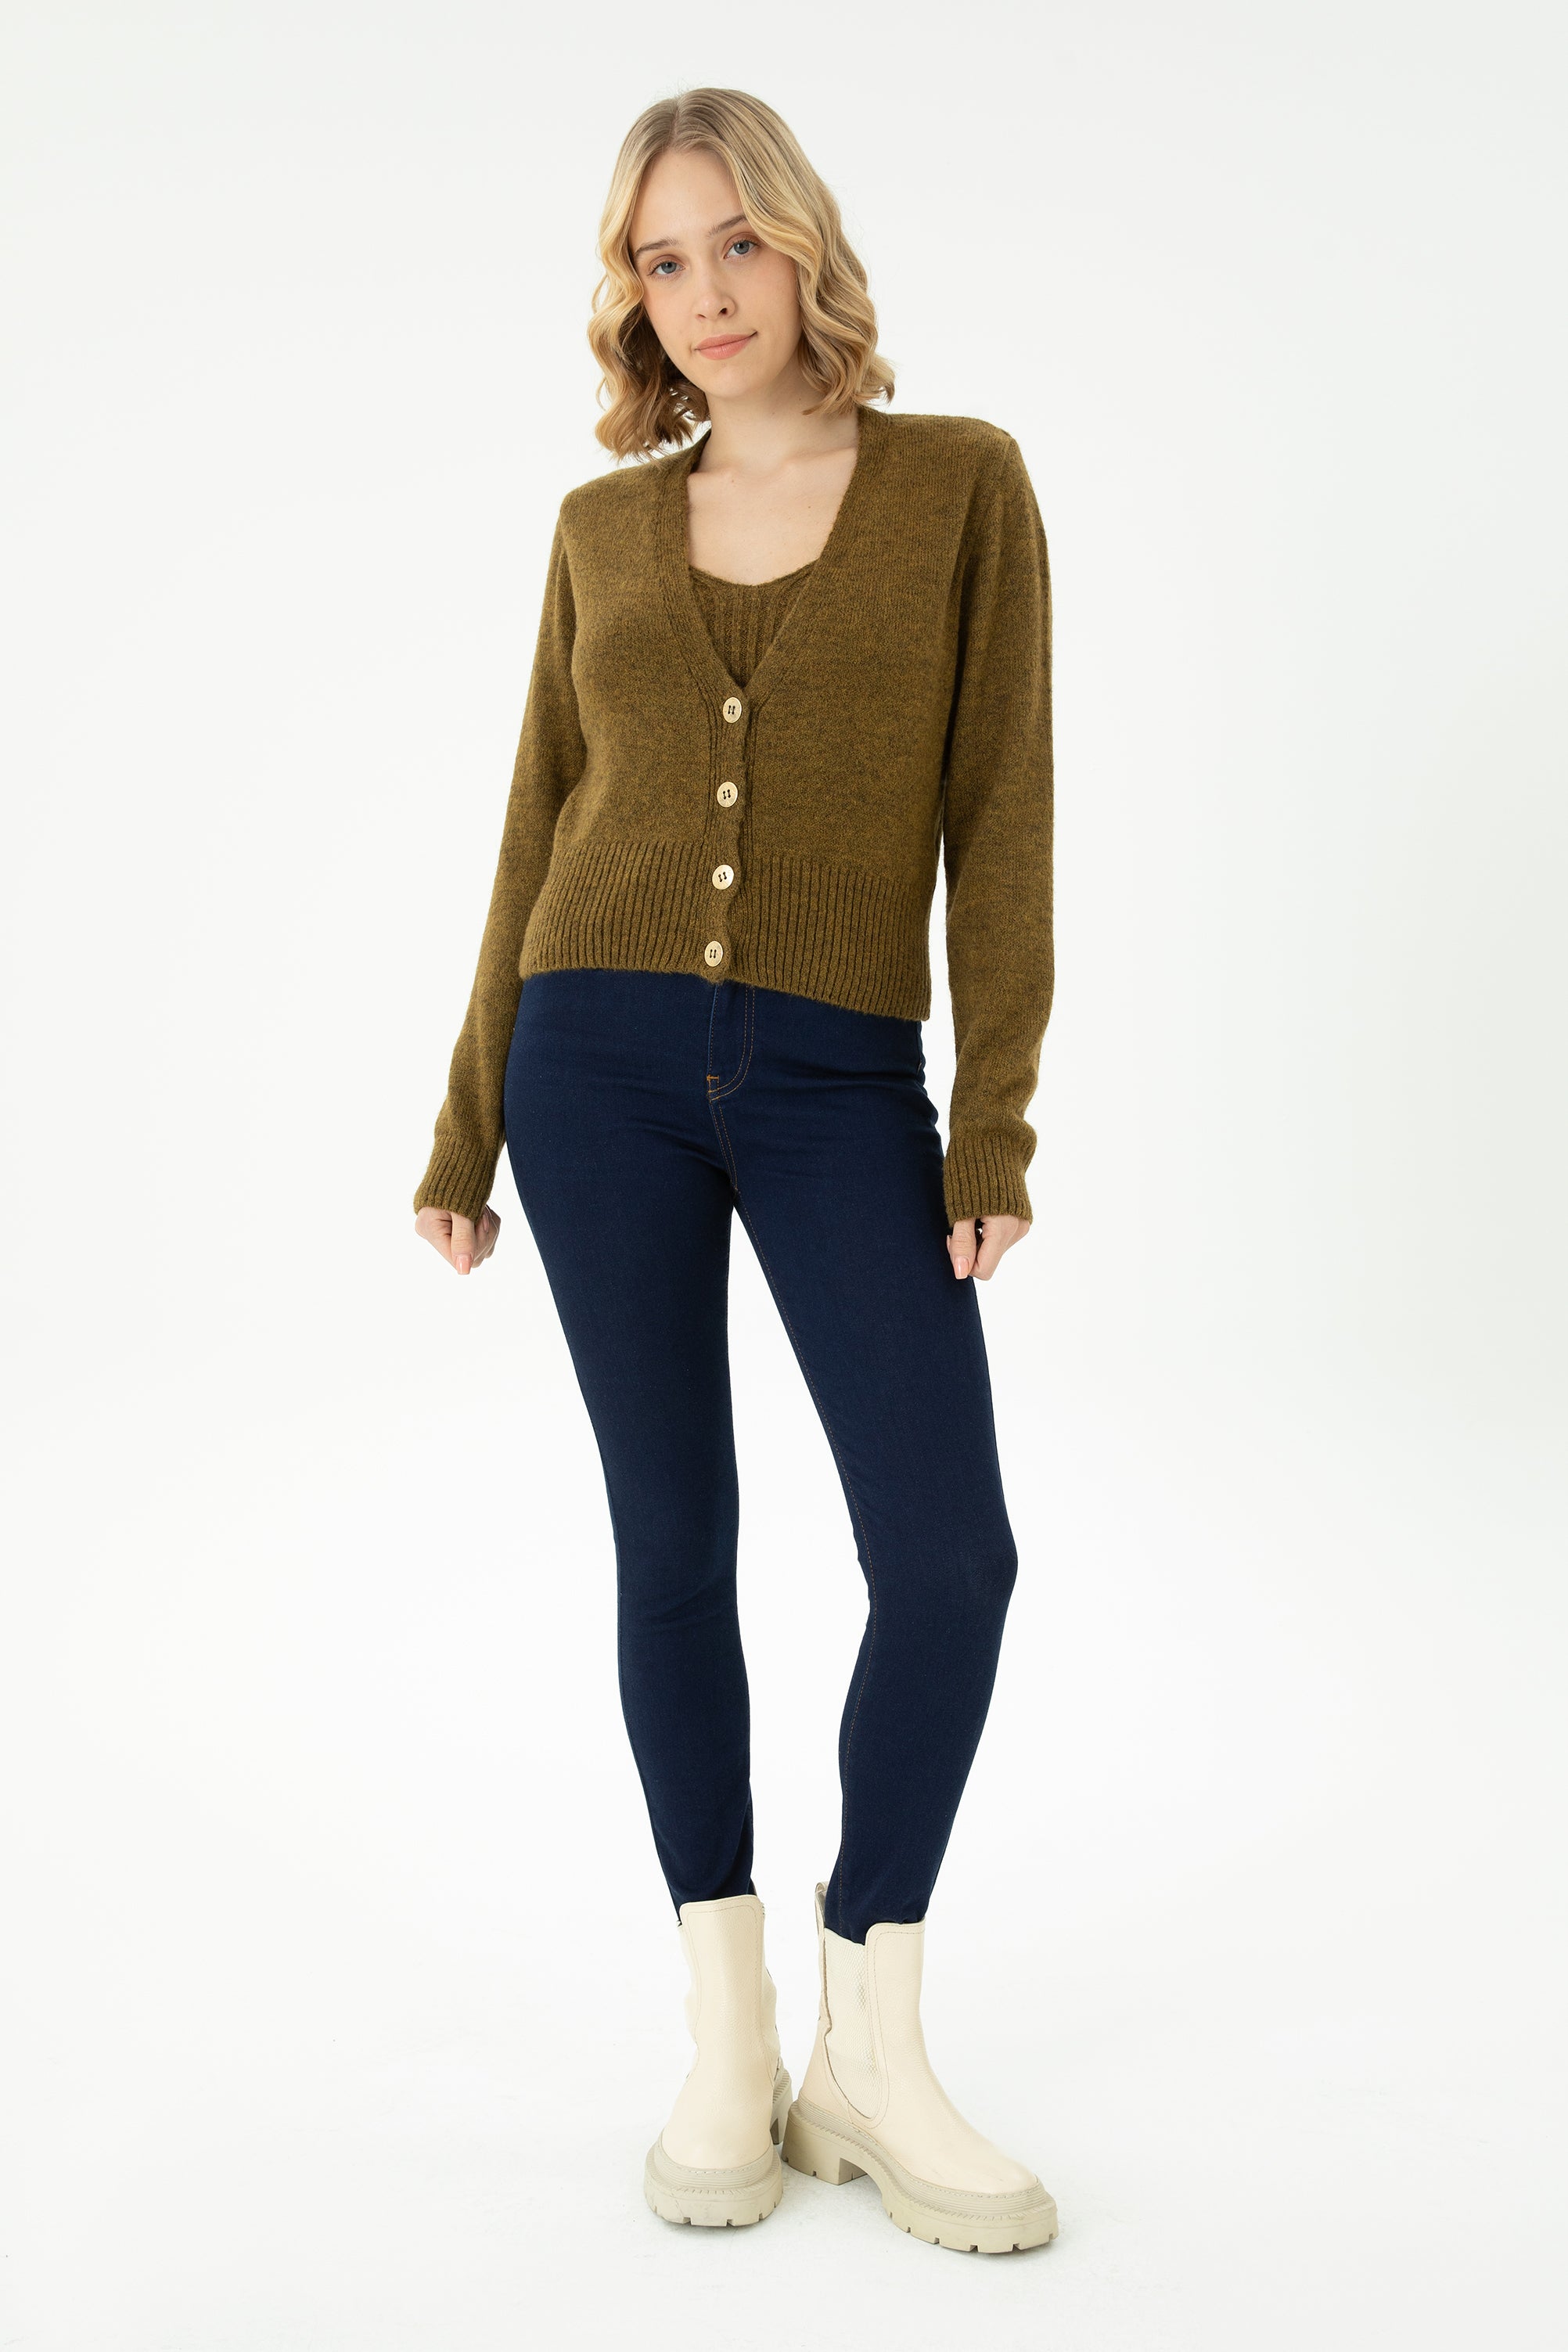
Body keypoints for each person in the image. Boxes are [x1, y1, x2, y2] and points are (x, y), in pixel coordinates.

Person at [412, 87, 1057, 2255]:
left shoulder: (960, 484)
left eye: (733, 245)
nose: (701, 294)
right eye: (658, 261)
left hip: (839, 1082)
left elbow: (1005, 811)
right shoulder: (601, 531)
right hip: (590, 1063)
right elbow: (536, 821)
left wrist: (991, 1117)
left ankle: (870, 2042)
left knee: (948, 1558)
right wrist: (466, 1120)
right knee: (671, 1539)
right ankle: (725, 2028)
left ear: (804, 244)